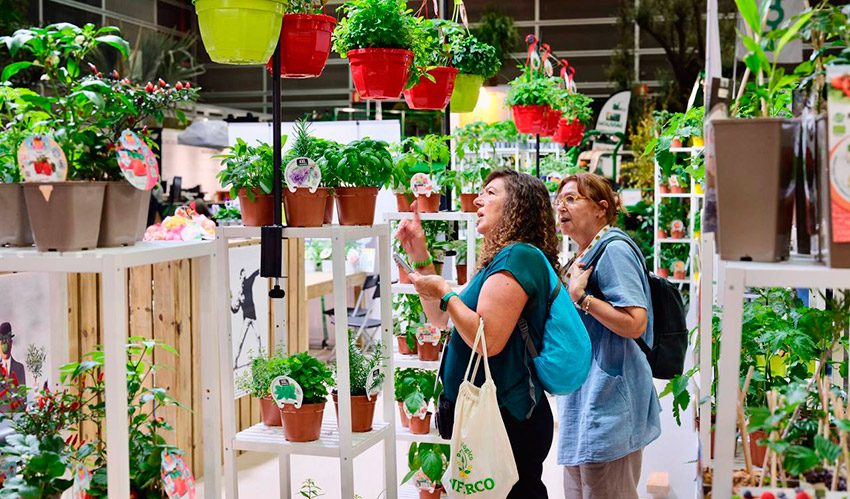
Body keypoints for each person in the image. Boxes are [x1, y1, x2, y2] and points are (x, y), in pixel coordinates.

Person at [396, 169, 561, 498]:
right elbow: (442, 320)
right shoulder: (499, 260)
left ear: (518, 206)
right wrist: (420, 257)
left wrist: (445, 290)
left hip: (507, 417)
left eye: (491, 193)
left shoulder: (519, 256)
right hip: (491, 415)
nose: (478, 200)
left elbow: (488, 340)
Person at [555, 172, 661, 499]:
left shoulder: (613, 250)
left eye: (572, 198)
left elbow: (635, 322)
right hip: (589, 399)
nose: (562, 206)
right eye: (559, 200)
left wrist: (582, 299)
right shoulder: (587, 252)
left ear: (601, 208)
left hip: (609, 403)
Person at [0, 322, 26, 413]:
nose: (4, 342)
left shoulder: (19, 368)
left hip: (16, 419)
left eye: (7, 339)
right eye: (2, 340)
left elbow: (23, 397)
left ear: (11, 342)